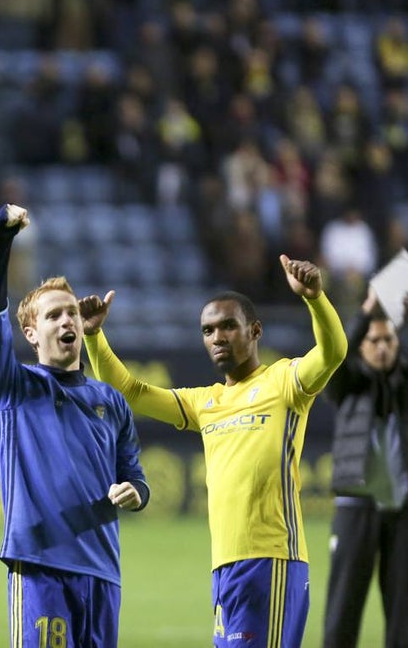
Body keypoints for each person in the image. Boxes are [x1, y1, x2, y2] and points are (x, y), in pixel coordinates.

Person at [80, 254, 347, 647]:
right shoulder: (205, 402)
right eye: (207, 330)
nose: (217, 337)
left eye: (228, 326)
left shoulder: (283, 382)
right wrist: (92, 336)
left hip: (271, 561)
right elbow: (131, 392)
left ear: (255, 330)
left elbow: (333, 352)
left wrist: (315, 299)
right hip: (224, 567)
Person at [0, 203, 150, 648]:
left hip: (104, 572)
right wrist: (1, 238)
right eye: (53, 315)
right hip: (40, 567)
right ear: (31, 334)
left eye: (70, 311)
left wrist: (136, 493)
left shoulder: (111, 402)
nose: (66, 319)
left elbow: (135, 477)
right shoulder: (14, 387)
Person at [322, 288, 408, 648]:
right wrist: (363, 314)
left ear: (398, 343)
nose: (382, 346)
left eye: (389, 339)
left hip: (405, 507)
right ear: (361, 345)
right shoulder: (346, 382)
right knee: (342, 612)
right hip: (356, 505)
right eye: (374, 340)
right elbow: (331, 360)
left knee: (400, 613)